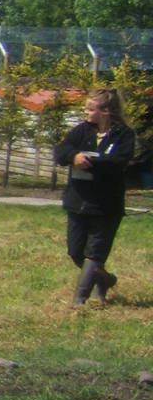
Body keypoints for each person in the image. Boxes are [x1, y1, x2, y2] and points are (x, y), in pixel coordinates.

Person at [53, 88, 136, 306]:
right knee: (75, 252)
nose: (86, 112)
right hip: (77, 202)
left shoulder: (124, 135)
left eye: (91, 109)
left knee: (95, 253)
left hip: (106, 206)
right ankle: (105, 279)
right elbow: (61, 151)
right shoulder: (82, 131)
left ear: (105, 111)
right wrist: (73, 156)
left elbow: (118, 162)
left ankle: (79, 301)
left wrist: (89, 162)